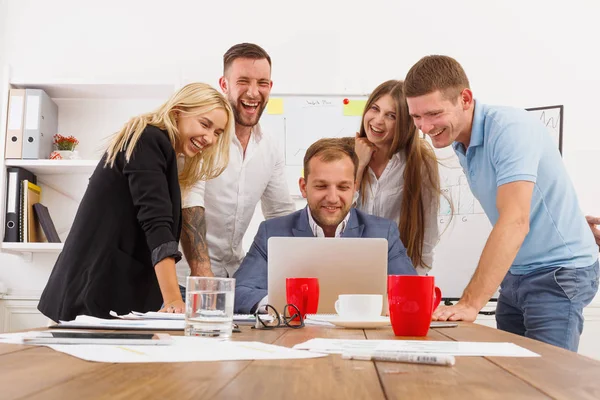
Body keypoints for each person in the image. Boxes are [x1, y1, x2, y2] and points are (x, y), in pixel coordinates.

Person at [404, 55, 599, 351]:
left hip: (558, 273)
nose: (425, 127)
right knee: (511, 374)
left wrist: (469, 303)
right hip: (517, 272)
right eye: (416, 117)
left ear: (465, 99)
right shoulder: (459, 140)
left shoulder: (509, 129)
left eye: (433, 114)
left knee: (549, 380)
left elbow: (515, 220)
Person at [38, 83, 234, 322]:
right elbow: (156, 224)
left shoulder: (161, 149)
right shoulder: (149, 139)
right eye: (205, 124)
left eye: (218, 133)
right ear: (178, 111)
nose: (210, 138)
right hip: (92, 295)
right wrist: (173, 300)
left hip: (103, 294)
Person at [233, 138, 416, 314]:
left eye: (343, 187)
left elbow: (413, 293)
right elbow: (240, 291)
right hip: (294, 336)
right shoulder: (272, 232)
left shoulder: (383, 232)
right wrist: (283, 305)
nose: (332, 198)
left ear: (354, 188)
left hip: (360, 337)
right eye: (321, 186)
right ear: (304, 187)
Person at [178, 43, 295, 290]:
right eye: (243, 81)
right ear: (224, 84)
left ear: (270, 87)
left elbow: (280, 215)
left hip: (235, 280)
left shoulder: (269, 146)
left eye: (262, 83)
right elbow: (190, 202)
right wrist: (203, 275)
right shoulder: (203, 136)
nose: (253, 92)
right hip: (187, 281)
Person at [352, 80, 442, 274]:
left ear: (405, 123)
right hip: (350, 268)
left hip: (397, 272)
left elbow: (427, 234)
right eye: (374, 109)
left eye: (391, 115)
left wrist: (414, 281)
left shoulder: (420, 161)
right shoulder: (345, 154)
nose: (377, 120)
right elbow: (335, 219)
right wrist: (358, 166)